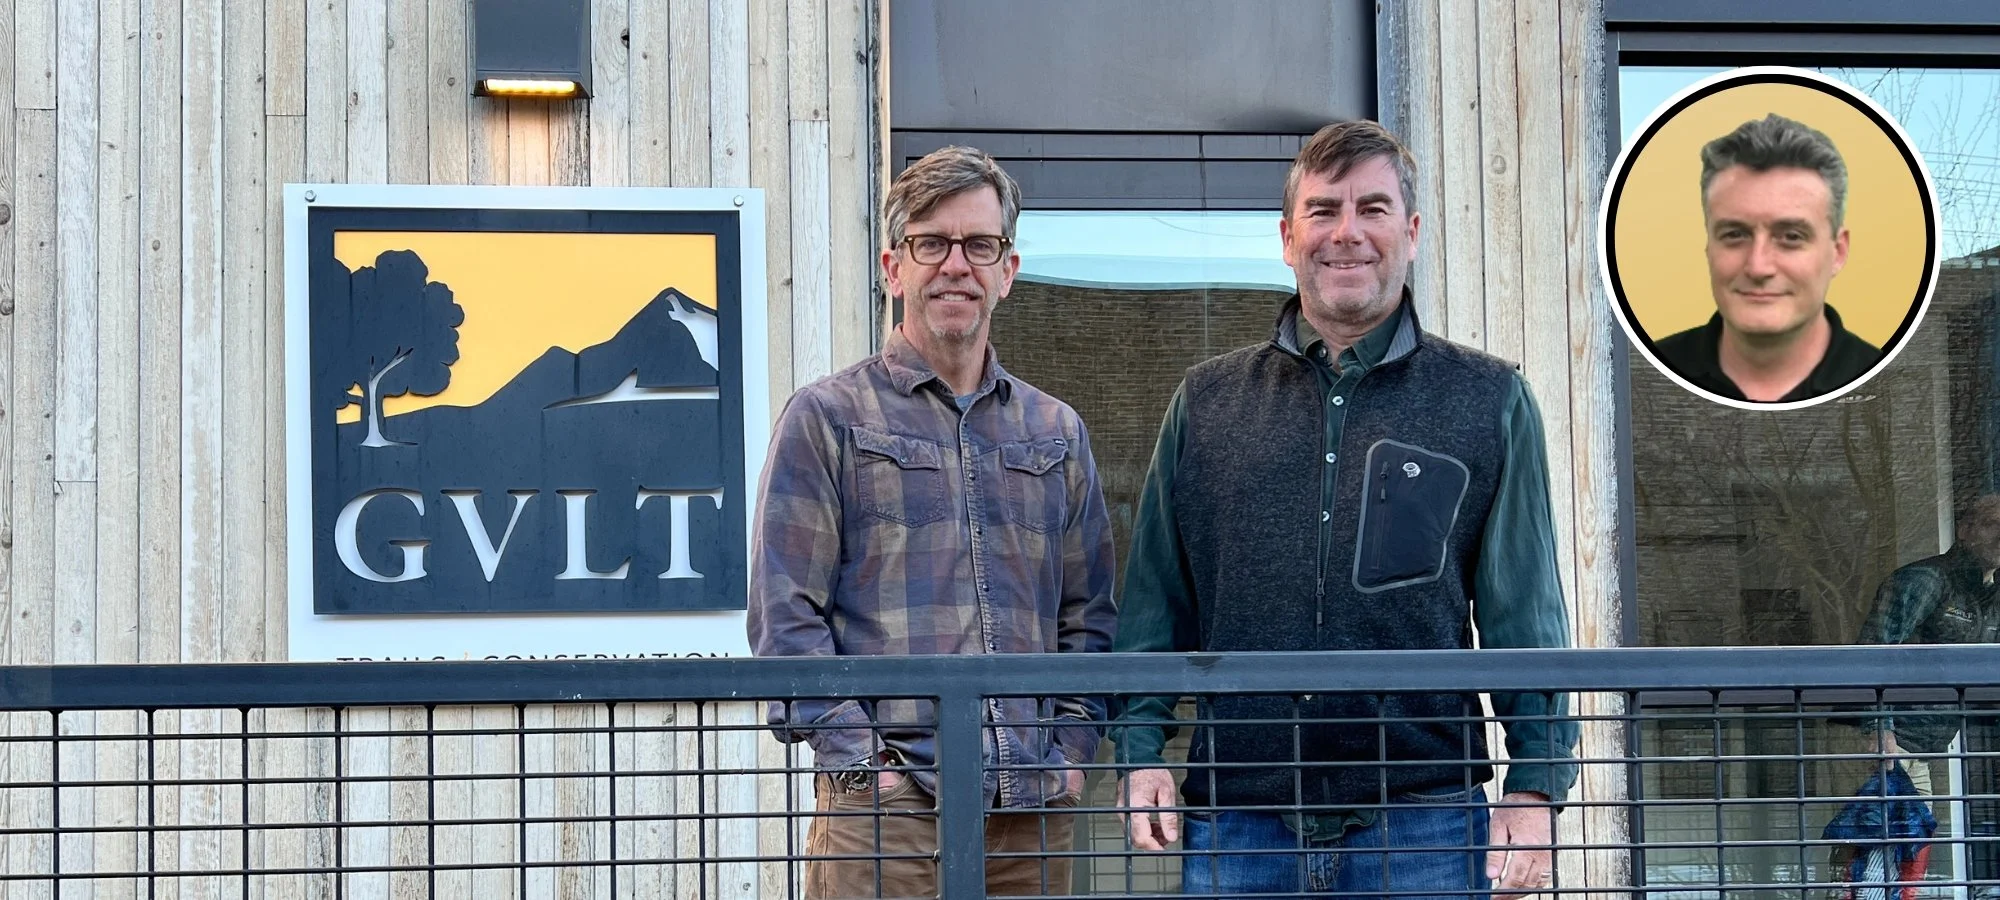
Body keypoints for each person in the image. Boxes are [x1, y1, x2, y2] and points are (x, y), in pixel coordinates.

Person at [1110, 119, 1579, 899]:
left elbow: (1524, 615)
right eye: (1323, 211)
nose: (1346, 233)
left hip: (1425, 821)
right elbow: (1157, 601)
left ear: (1412, 233)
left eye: (1373, 208)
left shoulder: (1489, 399)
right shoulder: (1206, 402)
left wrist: (1534, 786)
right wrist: (1140, 748)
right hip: (1239, 818)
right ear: (1287, 238)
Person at [747, 145, 1118, 898]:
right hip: (886, 815)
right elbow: (785, 617)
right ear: (894, 269)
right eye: (931, 244)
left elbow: (1091, 617)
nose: (957, 265)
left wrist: (1071, 754)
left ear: (1007, 270)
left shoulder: (1056, 430)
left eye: (980, 245)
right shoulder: (827, 418)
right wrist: (864, 764)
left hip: (1031, 811)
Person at [1652, 113, 1881, 403]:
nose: (1758, 267)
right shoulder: (1642, 380)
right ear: (1709, 246)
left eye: (1791, 237)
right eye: (1735, 234)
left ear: (1838, 252)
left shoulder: (1889, 386)